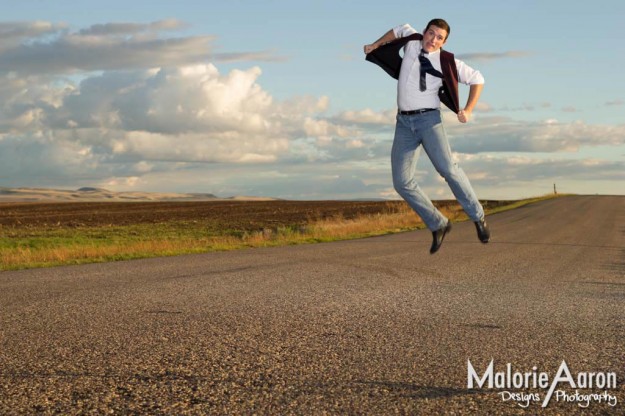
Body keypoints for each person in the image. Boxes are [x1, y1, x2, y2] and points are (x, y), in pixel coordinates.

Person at [364, 18, 490, 254]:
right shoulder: (412, 42)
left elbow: (478, 79)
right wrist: (375, 45)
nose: (433, 39)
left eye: (439, 37)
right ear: (424, 32)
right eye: (431, 33)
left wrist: (469, 110)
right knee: (401, 182)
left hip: (429, 121)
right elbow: (399, 28)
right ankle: (438, 223)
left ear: (444, 41)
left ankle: (478, 216)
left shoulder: (446, 61)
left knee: (449, 170)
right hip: (403, 123)